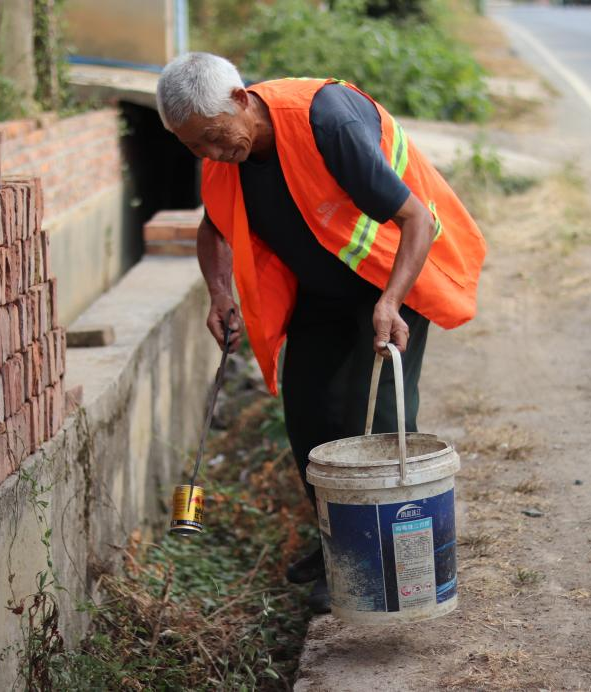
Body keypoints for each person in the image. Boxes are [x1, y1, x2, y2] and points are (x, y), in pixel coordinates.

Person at [156, 52, 485, 614]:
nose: (211, 154)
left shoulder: (327, 122)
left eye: (213, 138)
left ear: (240, 99)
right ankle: (340, 543)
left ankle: (379, 562)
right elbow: (213, 225)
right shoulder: (218, 146)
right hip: (322, 292)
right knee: (309, 418)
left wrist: (391, 302)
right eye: (194, 147)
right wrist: (218, 292)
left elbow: (416, 221)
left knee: (375, 418)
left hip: (389, 279)